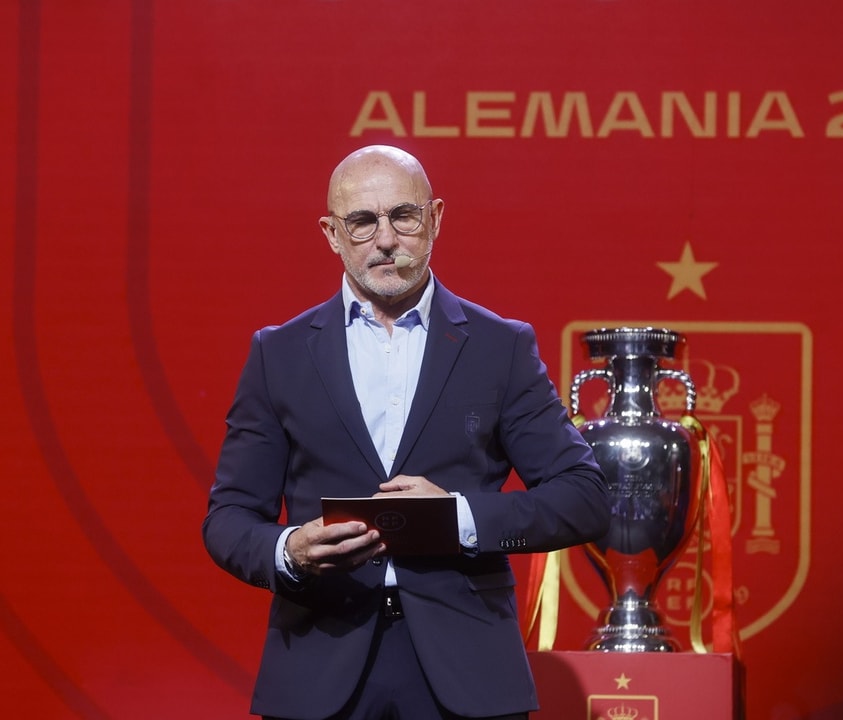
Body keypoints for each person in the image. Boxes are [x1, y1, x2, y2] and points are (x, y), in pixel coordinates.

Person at [202, 145, 611, 720]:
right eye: (363, 222)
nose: (386, 239)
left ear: (436, 219)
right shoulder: (279, 354)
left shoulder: (501, 347)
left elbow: (585, 497)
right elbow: (228, 518)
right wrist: (288, 550)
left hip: (468, 674)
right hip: (319, 668)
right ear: (332, 234)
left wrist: (459, 519)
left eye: (404, 216)